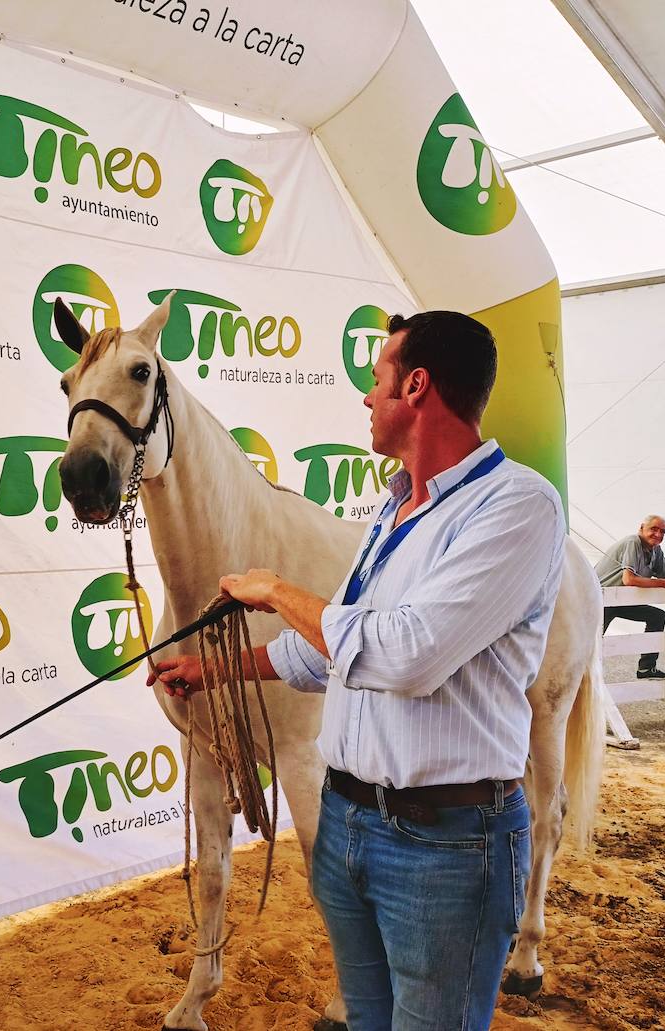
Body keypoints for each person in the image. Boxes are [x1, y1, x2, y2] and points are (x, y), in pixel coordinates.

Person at [149, 310, 566, 1031]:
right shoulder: (390, 507)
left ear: (417, 385)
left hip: (446, 844)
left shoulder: (518, 506)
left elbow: (406, 652)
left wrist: (276, 590)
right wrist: (215, 671)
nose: (366, 398)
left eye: (376, 380)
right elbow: (330, 652)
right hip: (353, 830)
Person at [595, 516, 665, 679]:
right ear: (641, 528)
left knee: (658, 616)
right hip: (600, 600)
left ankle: (646, 669)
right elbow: (629, 579)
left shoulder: (656, 550)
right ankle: (578, 676)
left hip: (622, 600)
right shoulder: (633, 542)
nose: (658, 535)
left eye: (662, 531)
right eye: (654, 529)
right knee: (591, 642)